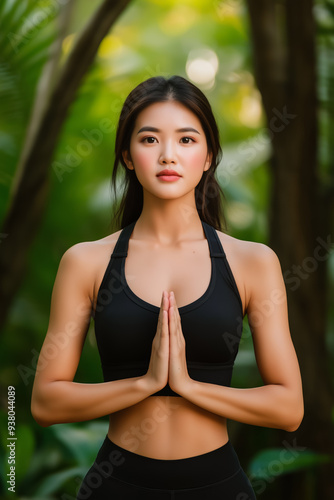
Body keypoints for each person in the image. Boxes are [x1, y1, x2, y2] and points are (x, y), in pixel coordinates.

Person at [31, 75, 304, 499]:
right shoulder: (86, 262)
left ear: (210, 155)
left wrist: (189, 387)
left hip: (218, 486)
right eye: (150, 139)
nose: (168, 155)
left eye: (187, 140)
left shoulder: (253, 262)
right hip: (117, 485)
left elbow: (289, 409)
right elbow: (45, 403)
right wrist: (145, 383)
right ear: (126, 154)